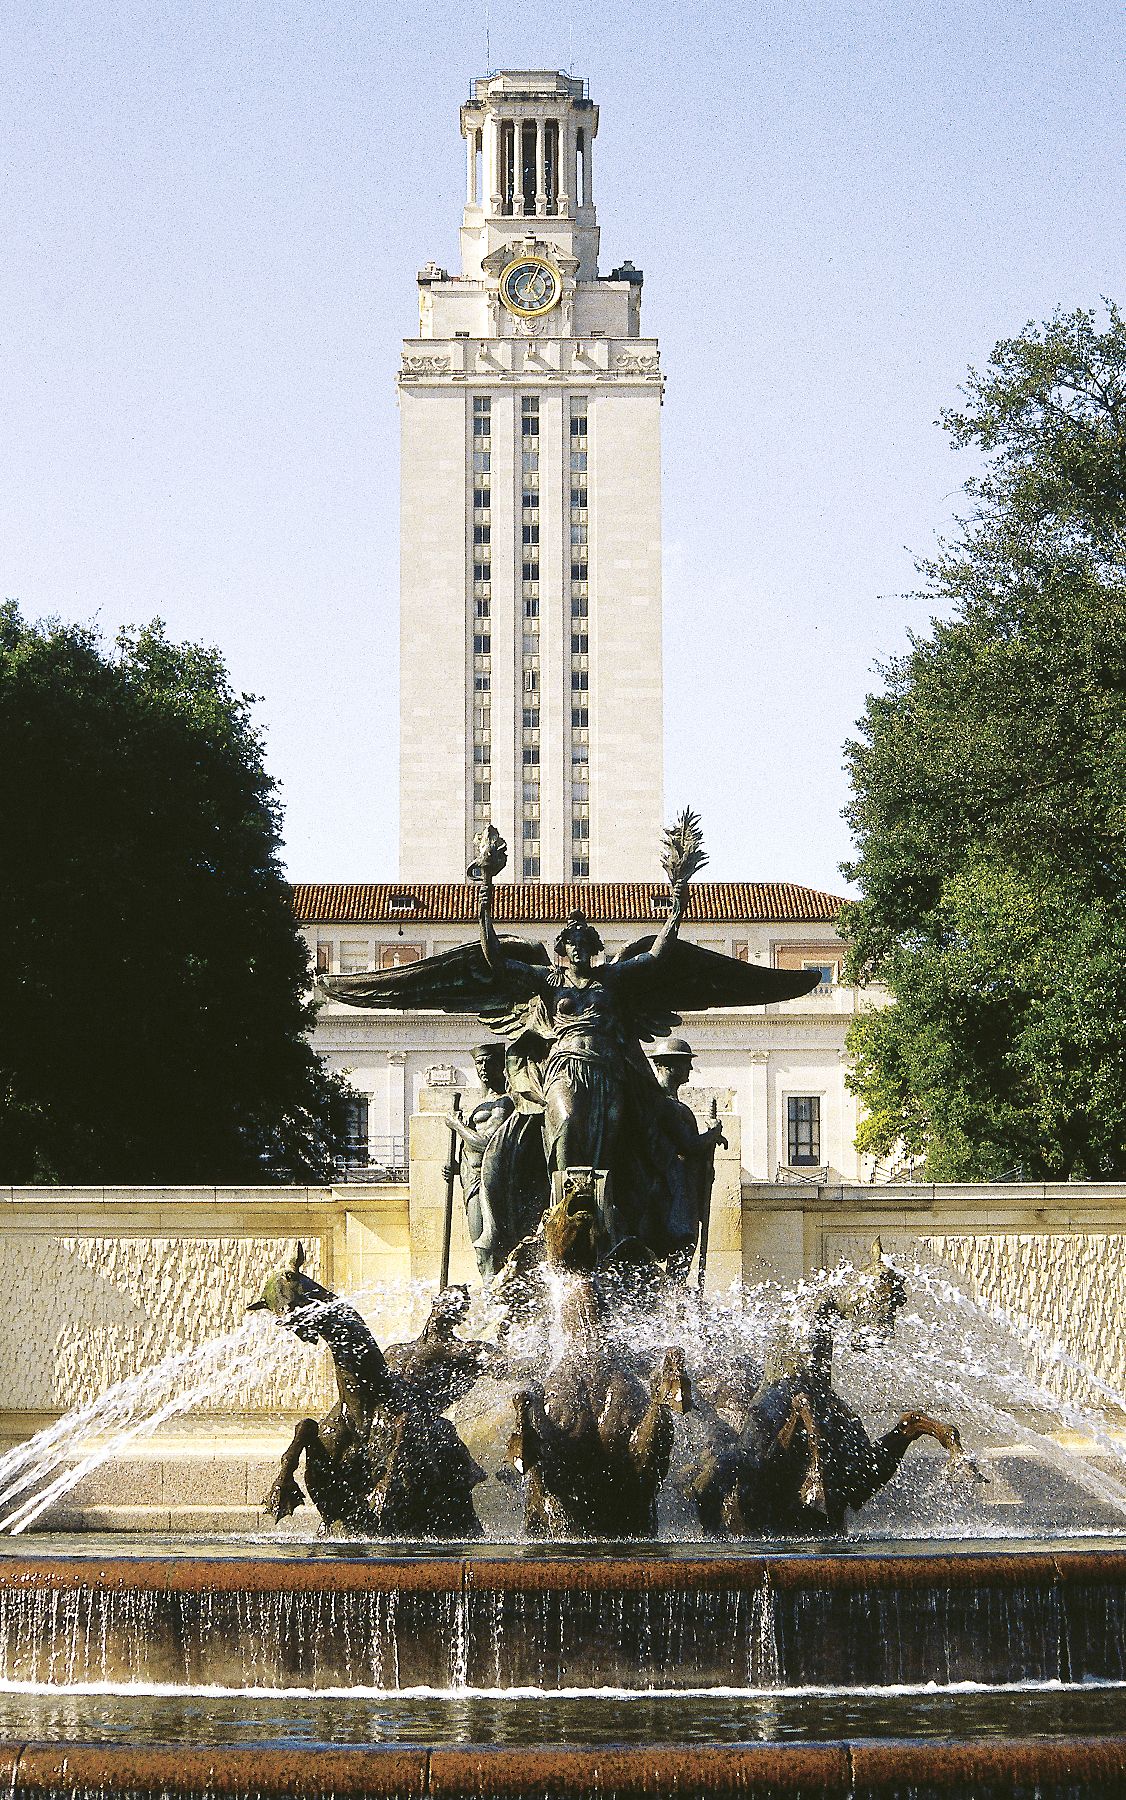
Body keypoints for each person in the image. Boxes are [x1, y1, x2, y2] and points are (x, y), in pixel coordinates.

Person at [648, 1038, 727, 1279]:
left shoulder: (670, 1103)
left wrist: (711, 1139)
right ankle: (676, 1303)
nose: (690, 1069)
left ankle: (677, 1303)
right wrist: (712, 1133)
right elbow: (687, 1145)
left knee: (684, 1246)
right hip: (672, 1187)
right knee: (682, 1241)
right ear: (669, 1066)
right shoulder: (664, 1104)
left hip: (681, 1184)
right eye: (685, 1064)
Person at [443, 1044, 515, 1276]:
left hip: (488, 1182)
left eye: (489, 1062)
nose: (483, 1068)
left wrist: (457, 1125)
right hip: (470, 1181)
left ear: (500, 1066)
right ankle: (490, 1294)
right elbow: (470, 1149)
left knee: (488, 1247)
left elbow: (486, 1143)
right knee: (480, 1249)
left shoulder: (504, 1103)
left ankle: (496, 1297)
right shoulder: (480, 1105)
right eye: (479, 1063)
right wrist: (455, 1167)